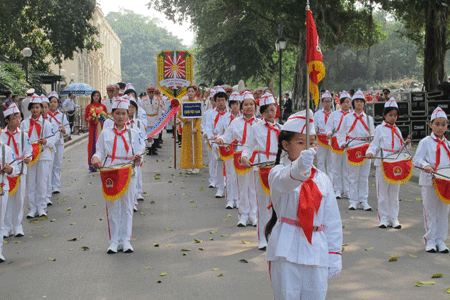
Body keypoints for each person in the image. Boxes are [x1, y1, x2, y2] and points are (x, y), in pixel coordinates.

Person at [266, 110, 342, 300]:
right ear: (285, 145)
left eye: (312, 142)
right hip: (286, 249)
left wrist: (334, 253)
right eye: (301, 143)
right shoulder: (276, 173)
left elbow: (331, 220)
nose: (309, 148)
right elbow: (286, 181)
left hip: (316, 249)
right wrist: (300, 167)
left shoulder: (322, 179)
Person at [91, 97, 144, 254]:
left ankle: (126, 239)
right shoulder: (106, 133)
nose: (121, 116)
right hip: (111, 172)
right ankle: (114, 240)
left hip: (128, 171)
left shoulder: (133, 133)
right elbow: (99, 150)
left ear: (128, 115)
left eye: (124, 113)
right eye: (118, 113)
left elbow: (140, 150)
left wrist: (138, 158)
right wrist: (96, 158)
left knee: (127, 205)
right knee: (112, 206)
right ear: (112, 114)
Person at [241, 92, 280, 248]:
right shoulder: (256, 128)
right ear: (263, 112)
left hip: (277, 168)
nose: (272, 113)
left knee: (277, 205)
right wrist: (245, 157)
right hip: (262, 168)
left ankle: (275, 237)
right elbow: (248, 146)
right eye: (269, 110)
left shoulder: (282, 128)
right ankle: (262, 238)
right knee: (263, 205)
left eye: (274, 109)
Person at [366, 98, 411, 228]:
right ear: (384, 115)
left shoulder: (397, 130)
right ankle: (383, 218)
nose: (393, 118)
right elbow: (374, 145)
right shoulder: (379, 129)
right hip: (383, 163)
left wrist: (406, 144)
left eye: (395, 115)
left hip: (395, 164)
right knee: (383, 192)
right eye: (390, 115)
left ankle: (394, 218)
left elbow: (400, 148)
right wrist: (370, 152)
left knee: (394, 193)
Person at [216, 92, 258, 222]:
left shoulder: (260, 123)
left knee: (253, 187)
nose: (249, 107)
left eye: (251, 104)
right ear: (241, 107)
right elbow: (227, 136)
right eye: (246, 104)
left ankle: (254, 214)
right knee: (242, 187)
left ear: (255, 107)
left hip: (255, 156)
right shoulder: (235, 122)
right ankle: (243, 215)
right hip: (240, 154)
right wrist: (221, 139)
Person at [413, 107, 450, 253]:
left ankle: (441, 240)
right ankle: (430, 240)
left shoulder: (448, 144)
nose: (440, 128)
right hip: (429, 182)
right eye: (437, 124)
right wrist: (425, 165)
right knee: (430, 211)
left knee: (443, 211)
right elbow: (417, 159)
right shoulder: (425, 142)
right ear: (430, 125)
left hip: (445, 183)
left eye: (443, 124)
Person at [336, 90, 374, 211]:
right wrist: (342, 143)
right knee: (353, 176)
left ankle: (364, 200)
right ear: (353, 103)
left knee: (364, 176)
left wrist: (372, 150)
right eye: (356, 101)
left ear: (364, 103)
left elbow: (373, 136)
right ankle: (353, 201)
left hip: (365, 147)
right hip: (353, 147)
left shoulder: (369, 119)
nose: (359, 104)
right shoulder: (347, 118)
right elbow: (340, 133)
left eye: (361, 102)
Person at [20, 95, 55, 218]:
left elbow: (53, 139)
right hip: (30, 157)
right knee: (31, 182)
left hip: (44, 155)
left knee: (42, 182)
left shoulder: (46, 123)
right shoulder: (24, 123)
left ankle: (41, 207)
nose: (35, 110)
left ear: (41, 108)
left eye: (37, 107)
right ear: (29, 109)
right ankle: (32, 208)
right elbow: (22, 140)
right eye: (33, 108)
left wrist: (46, 142)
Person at [1, 104, 32, 239]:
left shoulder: (23, 135)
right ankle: (6, 227)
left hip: (19, 171)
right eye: (14, 118)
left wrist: (28, 158)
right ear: (7, 120)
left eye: (19, 117)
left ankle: (17, 225)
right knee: (6, 200)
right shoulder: (2, 135)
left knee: (19, 198)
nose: (17, 120)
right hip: (5, 172)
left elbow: (29, 151)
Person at [215, 91, 241, 208]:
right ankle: (230, 199)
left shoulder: (244, 118)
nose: (236, 106)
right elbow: (220, 132)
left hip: (241, 149)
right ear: (230, 105)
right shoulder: (224, 118)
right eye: (233, 104)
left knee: (241, 176)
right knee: (230, 175)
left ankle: (239, 200)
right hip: (228, 148)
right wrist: (220, 138)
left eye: (238, 103)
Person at [326, 91, 352, 199]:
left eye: (348, 102)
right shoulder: (334, 114)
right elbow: (328, 126)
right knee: (336, 168)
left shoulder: (352, 115)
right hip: (336, 141)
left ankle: (347, 190)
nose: (346, 104)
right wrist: (329, 133)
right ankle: (337, 190)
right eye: (343, 102)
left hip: (349, 142)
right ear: (340, 103)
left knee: (347, 168)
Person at [205, 89, 229, 198]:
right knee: (219, 165)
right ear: (215, 101)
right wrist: (211, 140)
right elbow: (209, 128)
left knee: (229, 166)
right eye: (218, 100)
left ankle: (229, 188)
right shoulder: (211, 114)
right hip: (216, 142)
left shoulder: (230, 113)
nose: (220, 103)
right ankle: (220, 188)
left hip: (228, 142)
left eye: (223, 100)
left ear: (226, 101)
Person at [47, 93, 70, 193]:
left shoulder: (61, 116)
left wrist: (64, 130)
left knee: (57, 164)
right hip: (48, 143)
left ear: (58, 103)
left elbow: (68, 130)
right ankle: (48, 185)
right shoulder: (45, 116)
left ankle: (55, 185)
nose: (53, 104)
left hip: (59, 142)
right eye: (51, 102)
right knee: (49, 164)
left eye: (55, 102)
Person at [178, 86, 203, 174]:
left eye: (192, 91)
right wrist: (186, 120)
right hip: (186, 128)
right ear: (187, 93)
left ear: (195, 92)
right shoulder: (184, 103)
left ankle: (196, 165)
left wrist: (196, 128)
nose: (191, 93)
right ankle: (187, 165)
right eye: (189, 91)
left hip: (195, 128)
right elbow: (179, 115)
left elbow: (199, 118)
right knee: (187, 147)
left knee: (196, 147)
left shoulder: (198, 103)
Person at [85, 91, 108, 172]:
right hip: (93, 129)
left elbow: (106, 118)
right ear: (92, 97)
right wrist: (91, 118)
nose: (96, 97)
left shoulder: (103, 106)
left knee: (102, 144)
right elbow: (86, 119)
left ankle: (102, 163)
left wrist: (101, 118)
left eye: (98, 95)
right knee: (92, 145)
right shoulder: (89, 107)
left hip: (101, 128)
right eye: (94, 95)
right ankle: (92, 164)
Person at [314, 90, 333, 182]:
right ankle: (321, 181)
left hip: (332, 140)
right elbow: (314, 128)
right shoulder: (317, 114)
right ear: (322, 102)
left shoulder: (334, 114)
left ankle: (330, 182)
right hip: (320, 140)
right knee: (320, 161)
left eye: (329, 101)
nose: (327, 103)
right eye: (325, 101)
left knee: (331, 163)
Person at [201, 94, 217, 188]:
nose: (214, 102)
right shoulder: (207, 113)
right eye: (213, 100)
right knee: (212, 160)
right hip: (211, 140)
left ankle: (222, 180)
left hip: (222, 141)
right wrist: (206, 133)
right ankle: (213, 179)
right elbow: (203, 126)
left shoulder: (227, 114)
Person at [140, 83, 161, 155]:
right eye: (149, 92)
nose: (151, 94)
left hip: (155, 118)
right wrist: (142, 121)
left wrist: (159, 120)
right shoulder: (143, 100)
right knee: (148, 135)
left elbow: (160, 111)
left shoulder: (158, 99)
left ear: (154, 92)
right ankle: (149, 149)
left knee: (155, 135)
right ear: (147, 92)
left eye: (152, 92)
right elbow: (142, 111)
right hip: (147, 119)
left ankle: (154, 149)